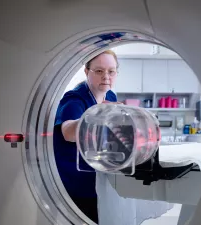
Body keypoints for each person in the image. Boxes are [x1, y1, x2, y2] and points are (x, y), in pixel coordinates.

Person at [53, 50, 120, 224]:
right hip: (76, 183)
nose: (106, 76)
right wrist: (96, 115)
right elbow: (67, 132)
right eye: (99, 71)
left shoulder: (110, 96)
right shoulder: (74, 99)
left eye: (111, 71)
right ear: (86, 71)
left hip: (99, 176)